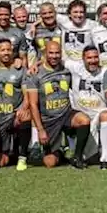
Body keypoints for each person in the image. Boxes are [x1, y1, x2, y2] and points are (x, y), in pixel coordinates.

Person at [0, 37, 38, 171]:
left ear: (13, 51)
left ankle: (22, 158)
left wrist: (23, 108)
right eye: (2, 50)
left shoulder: (21, 70)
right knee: (2, 162)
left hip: (13, 116)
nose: (6, 53)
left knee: (26, 116)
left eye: (8, 50)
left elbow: (27, 96)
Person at [31, 40, 92, 169]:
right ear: (44, 54)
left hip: (66, 114)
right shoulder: (36, 74)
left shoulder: (67, 70)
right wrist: (40, 130)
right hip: (48, 120)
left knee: (84, 120)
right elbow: (33, 105)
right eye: (51, 53)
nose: (54, 56)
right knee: (50, 163)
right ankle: (60, 152)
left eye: (57, 53)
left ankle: (77, 156)